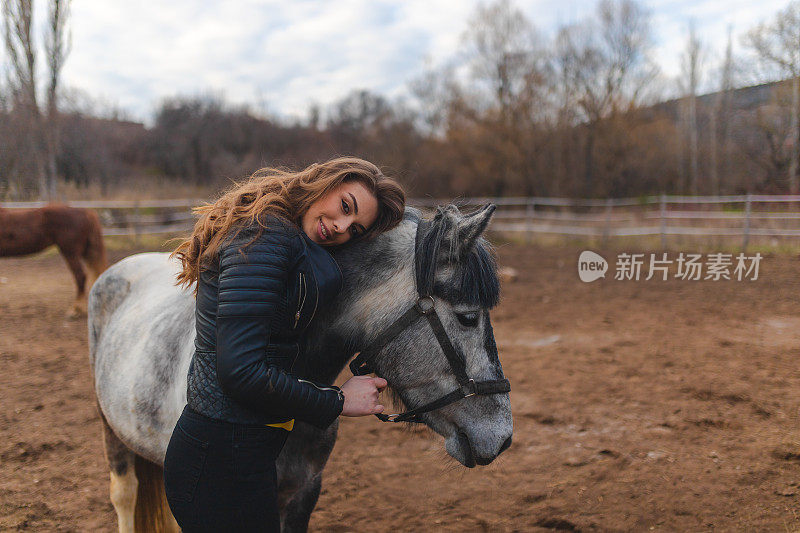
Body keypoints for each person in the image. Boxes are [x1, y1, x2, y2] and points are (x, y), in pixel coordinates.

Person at [163, 157, 406, 532]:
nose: (341, 227)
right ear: (324, 182)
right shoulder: (265, 236)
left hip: (239, 456)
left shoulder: (283, 239)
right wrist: (337, 401)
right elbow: (240, 372)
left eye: (355, 230)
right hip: (220, 464)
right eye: (345, 206)